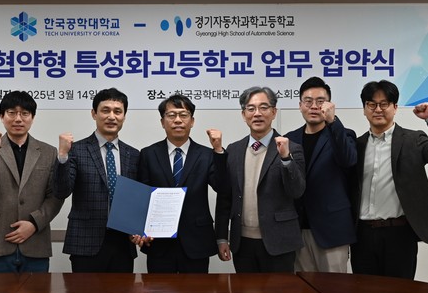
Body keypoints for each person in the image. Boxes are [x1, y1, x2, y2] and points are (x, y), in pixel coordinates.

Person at [354, 80, 428, 279]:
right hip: (363, 236)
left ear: (395, 107)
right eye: (372, 104)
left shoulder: (413, 140)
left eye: (384, 104)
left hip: (400, 235)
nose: (378, 109)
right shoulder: (356, 145)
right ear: (364, 109)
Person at [215, 86, 306, 273]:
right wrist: (222, 237)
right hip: (242, 243)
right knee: (246, 292)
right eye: (251, 108)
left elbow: (297, 191)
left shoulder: (291, 148)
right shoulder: (233, 150)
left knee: (280, 292)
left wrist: (286, 158)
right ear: (244, 115)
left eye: (264, 107)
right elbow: (225, 197)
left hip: (279, 242)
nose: (257, 113)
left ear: (274, 112)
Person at [0, 91, 64, 273]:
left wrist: (34, 223)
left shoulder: (49, 152)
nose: (18, 119)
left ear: (33, 117)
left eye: (24, 113)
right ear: (2, 116)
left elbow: (55, 195)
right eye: (12, 113)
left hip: (35, 241)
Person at [133, 94, 226, 273]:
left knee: (196, 291)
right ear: (162, 122)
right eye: (171, 115)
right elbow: (141, 198)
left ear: (192, 121)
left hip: (196, 241)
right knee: (159, 290)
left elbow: (222, 187)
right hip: (158, 242)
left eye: (183, 115)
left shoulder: (207, 155)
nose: (177, 120)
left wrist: (218, 150)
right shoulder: (148, 154)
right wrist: (139, 230)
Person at [54, 88, 139, 272]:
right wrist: (62, 155)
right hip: (85, 241)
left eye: (117, 111)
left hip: (123, 243)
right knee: (84, 292)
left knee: (123, 291)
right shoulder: (75, 150)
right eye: (105, 110)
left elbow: (136, 198)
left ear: (124, 116)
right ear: (94, 113)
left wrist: (138, 227)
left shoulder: (133, 154)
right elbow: (61, 191)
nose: (111, 116)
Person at [285, 77, 357, 273]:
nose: (314, 106)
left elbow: (348, 160)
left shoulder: (343, 134)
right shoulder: (290, 138)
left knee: (335, 288)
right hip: (298, 230)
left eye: (320, 101)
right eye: (308, 101)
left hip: (331, 230)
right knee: (302, 287)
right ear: (300, 105)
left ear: (329, 105)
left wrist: (333, 122)